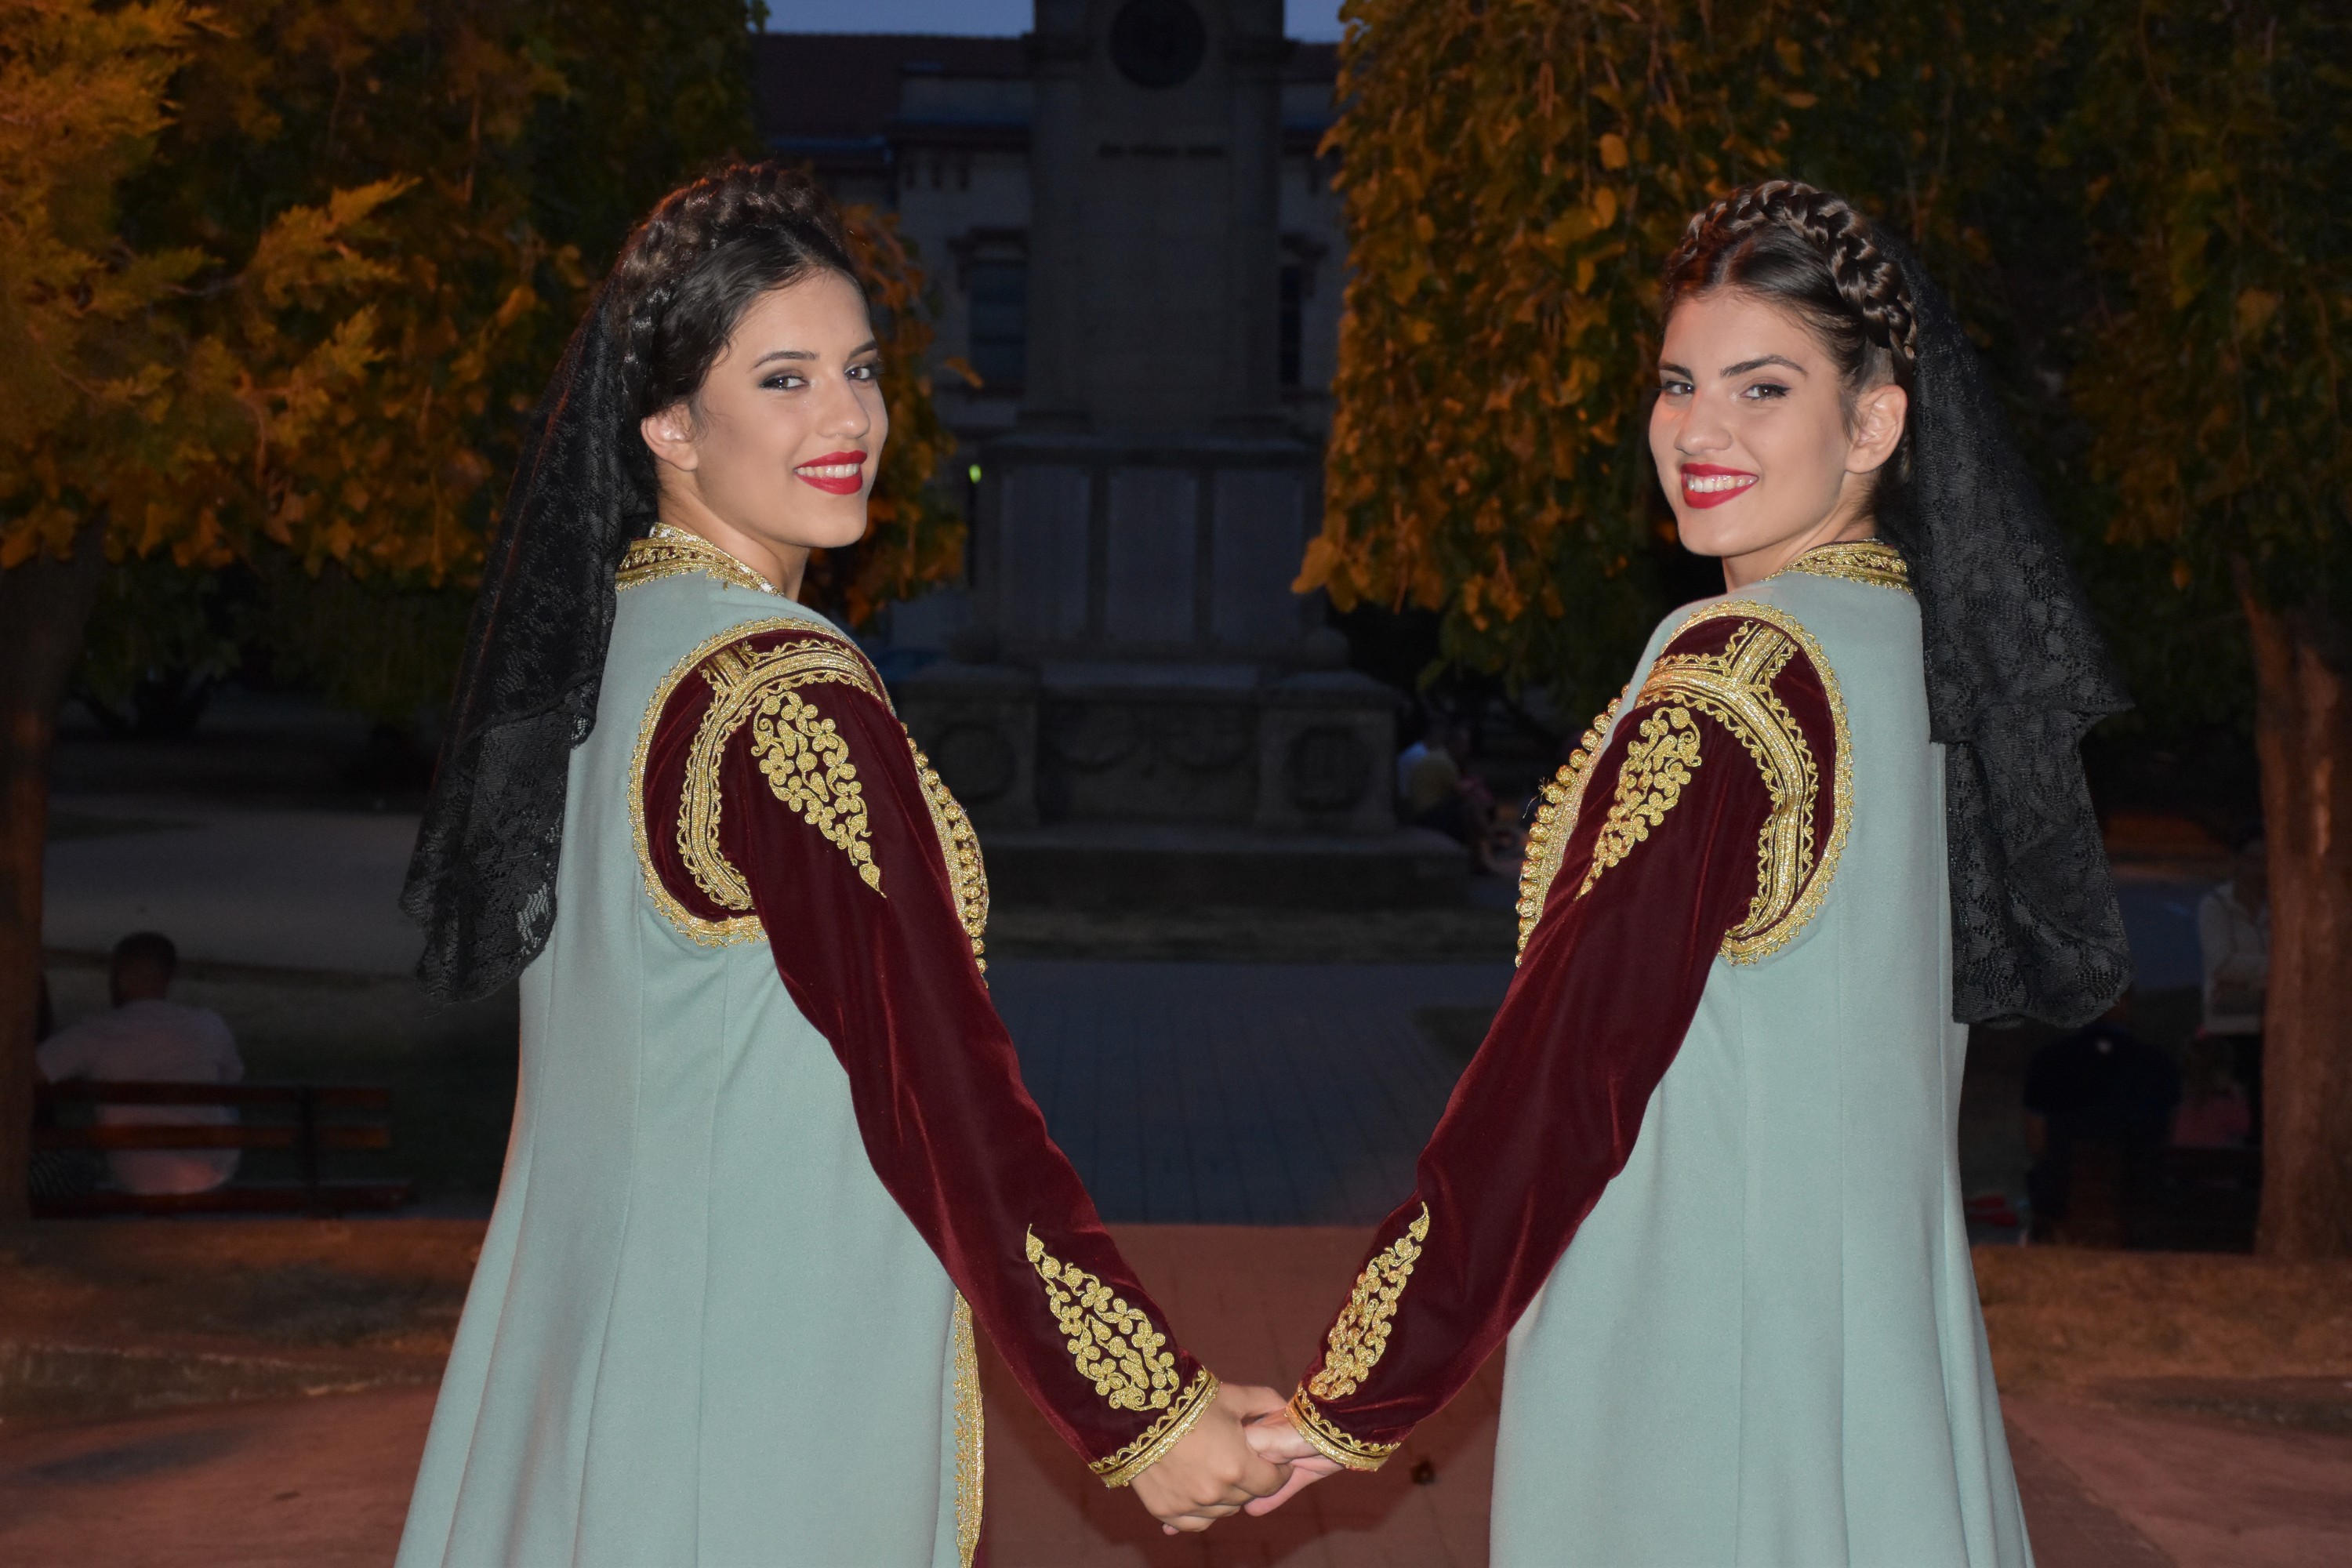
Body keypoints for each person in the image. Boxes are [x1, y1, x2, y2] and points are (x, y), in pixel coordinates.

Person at [393, 164, 1286, 1568]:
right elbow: (941, 1089)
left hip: (602, 1381)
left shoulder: (618, 654)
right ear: (670, 425)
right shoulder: (777, 697)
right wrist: (1140, 1406)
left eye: (860, 371)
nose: (850, 419)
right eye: (786, 380)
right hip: (751, 1405)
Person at [1243, 180, 2132, 1566]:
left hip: (1702, 1374)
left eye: (1763, 388)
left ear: (1875, 423)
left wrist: (1357, 1393)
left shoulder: (1742, 678)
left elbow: (1563, 1073)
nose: (1699, 432)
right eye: (1678, 384)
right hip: (1873, 1369)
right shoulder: (1916, 656)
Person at [35, 932, 243, 1197]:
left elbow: (28, 1072)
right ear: (168, 978)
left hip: (138, 1178)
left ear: (120, 977)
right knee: (228, 1109)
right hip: (211, 1175)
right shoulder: (209, 1025)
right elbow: (232, 1079)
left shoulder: (94, 1033)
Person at [2022, 999, 2181, 1247]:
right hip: (2138, 1199)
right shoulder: (2158, 1063)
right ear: (2126, 1003)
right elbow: (2169, 1136)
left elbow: (2036, 1141)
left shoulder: (2048, 1060)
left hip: (2065, 1200)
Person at [2196, 834, 2268, 1139]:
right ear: (2236, 861)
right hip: (2231, 1022)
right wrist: (2274, 970)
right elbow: (2222, 963)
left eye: (2265, 861)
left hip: (2271, 1022)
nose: (2259, 869)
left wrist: (2247, 972)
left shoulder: (2278, 905)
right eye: (2252, 859)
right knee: (2238, 1107)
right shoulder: (2216, 906)